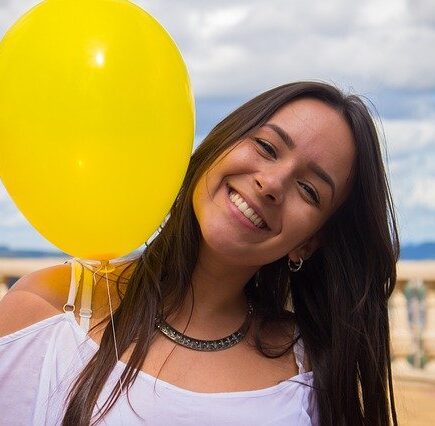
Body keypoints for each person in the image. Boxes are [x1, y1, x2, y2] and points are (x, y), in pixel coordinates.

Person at [0, 81, 399, 425]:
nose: (272, 183)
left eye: (309, 190)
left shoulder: (308, 372)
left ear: (307, 242)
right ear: (221, 142)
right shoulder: (49, 311)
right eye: (266, 146)